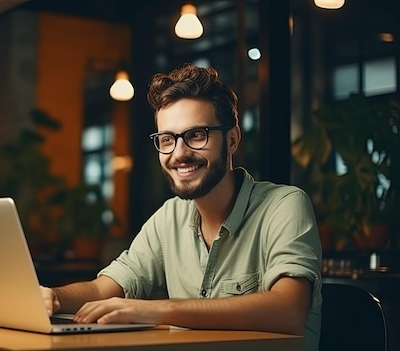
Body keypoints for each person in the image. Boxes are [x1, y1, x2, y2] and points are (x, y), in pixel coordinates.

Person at [41, 63, 322, 351]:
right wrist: (52, 296)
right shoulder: (169, 217)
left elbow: (289, 310)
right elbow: (105, 288)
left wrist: (156, 310)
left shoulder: (284, 205)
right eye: (167, 139)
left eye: (197, 135)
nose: (180, 153)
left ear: (233, 139)